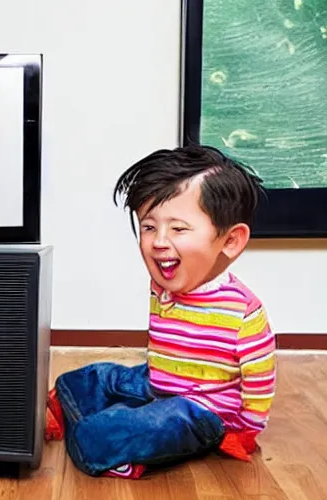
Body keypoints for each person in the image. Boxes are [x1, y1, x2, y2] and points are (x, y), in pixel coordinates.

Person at [45, 145, 276, 479]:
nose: (158, 242)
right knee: (83, 379)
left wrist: (245, 431)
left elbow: (260, 380)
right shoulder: (163, 286)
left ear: (230, 241)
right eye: (149, 227)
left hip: (204, 412)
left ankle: (103, 438)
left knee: (100, 436)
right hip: (159, 381)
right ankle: (93, 418)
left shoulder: (242, 312)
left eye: (179, 229)